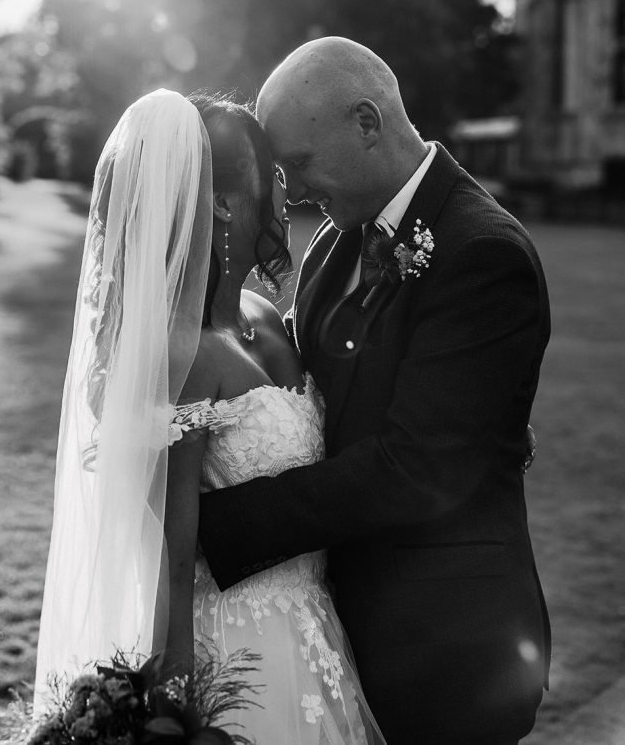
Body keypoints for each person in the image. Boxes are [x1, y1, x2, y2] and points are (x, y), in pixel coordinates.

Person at [198, 38, 552, 745]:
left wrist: (212, 524)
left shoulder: (483, 253)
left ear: (367, 122)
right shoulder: (336, 241)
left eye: (299, 163)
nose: (292, 191)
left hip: (449, 651)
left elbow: (417, 468)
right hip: (338, 630)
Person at [34, 88, 385, 745]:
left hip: (316, 624)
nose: (288, 191)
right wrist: (178, 689)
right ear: (222, 202)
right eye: (272, 175)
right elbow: (168, 547)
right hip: (234, 648)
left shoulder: (268, 320)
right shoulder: (181, 354)